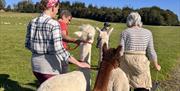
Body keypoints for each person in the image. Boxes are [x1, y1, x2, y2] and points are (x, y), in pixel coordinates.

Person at [25, 0, 90, 84]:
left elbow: (27, 44)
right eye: (57, 8)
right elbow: (59, 49)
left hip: (35, 67)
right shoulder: (54, 24)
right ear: (53, 7)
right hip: (49, 69)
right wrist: (79, 63)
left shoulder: (32, 22)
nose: (57, 11)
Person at [119, 12, 161, 91]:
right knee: (142, 85)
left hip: (126, 61)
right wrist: (156, 65)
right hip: (142, 62)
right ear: (139, 20)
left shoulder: (124, 32)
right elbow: (151, 51)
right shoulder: (148, 32)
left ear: (129, 20)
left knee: (124, 85)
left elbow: (120, 51)